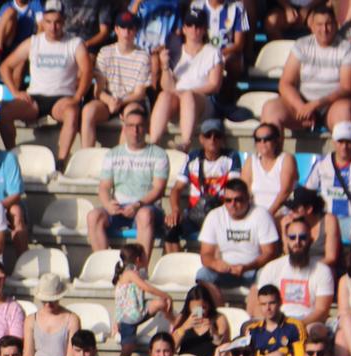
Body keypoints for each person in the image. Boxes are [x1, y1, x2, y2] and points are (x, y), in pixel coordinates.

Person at [0, 4, 89, 167]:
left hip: (62, 97)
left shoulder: (74, 43)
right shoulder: (33, 42)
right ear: (43, 22)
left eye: (57, 22)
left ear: (64, 21)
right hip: (35, 97)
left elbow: (87, 71)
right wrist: (15, 91)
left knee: (72, 112)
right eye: (49, 22)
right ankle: (12, 155)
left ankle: (61, 161)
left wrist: (77, 97)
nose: (53, 27)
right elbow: (5, 67)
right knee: (5, 111)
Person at [258, 4, 351, 136]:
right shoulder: (302, 45)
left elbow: (347, 88)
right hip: (303, 103)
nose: (324, 29)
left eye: (328, 24)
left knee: (344, 112)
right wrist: (301, 107)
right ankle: (270, 155)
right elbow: (285, 83)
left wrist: (315, 105)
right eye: (319, 24)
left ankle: (344, 156)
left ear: (336, 25)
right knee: (270, 109)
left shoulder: (347, 49)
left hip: (333, 104)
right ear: (311, 26)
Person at [87, 104, 166, 260]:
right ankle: (103, 267)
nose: (135, 130)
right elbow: (104, 187)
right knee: (93, 216)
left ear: (146, 127)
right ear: (124, 128)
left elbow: (158, 189)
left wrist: (138, 204)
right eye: (130, 126)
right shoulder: (113, 154)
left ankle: (140, 269)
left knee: (144, 215)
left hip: (146, 206)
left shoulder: (159, 154)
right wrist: (108, 203)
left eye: (139, 126)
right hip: (119, 207)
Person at [150, 6, 223, 151]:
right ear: (184, 28)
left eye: (198, 25)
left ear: (204, 29)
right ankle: (153, 142)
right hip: (177, 99)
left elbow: (214, 85)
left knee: (188, 96)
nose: (193, 29)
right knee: (164, 95)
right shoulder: (175, 51)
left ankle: (185, 142)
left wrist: (186, 92)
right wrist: (165, 66)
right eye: (189, 25)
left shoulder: (213, 52)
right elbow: (167, 87)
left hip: (203, 101)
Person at [81, 11, 156, 149]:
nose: (126, 32)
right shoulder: (105, 52)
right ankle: (86, 157)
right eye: (123, 28)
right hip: (109, 100)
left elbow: (139, 94)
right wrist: (110, 101)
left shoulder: (143, 57)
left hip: (132, 101)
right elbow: (98, 90)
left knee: (131, 116)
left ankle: (121, 161)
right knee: (88, 111)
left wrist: (119, 101)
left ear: (135, 31)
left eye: (130, 28)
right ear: (116, 30)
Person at [168, 119, 240, 251]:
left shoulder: (231, 157)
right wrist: (175, 210)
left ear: (222, 139)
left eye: (217, 136)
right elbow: (177, 189)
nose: (212, 139)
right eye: (208, 135)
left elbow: (234, 188)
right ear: (201, 139)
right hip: (195, 213)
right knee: (170, 229)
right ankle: (177, 263)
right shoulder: (192, 157)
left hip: (219, 212)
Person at [197, 178, 279, 292]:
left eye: (238, 200)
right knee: (203, 275)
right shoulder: (214, 216)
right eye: (228, 200)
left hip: (254, 270)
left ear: (248, 199)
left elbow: (270, 252)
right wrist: (216, 264)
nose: (233, 204)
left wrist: (246, 267)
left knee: (266, 277)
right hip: (225, 271)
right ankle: (217, 309)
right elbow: (205, 254)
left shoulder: (261, 214)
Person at [254, 217, 334, 327]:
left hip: (308, 323)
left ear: (311, 240)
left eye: (302, 237)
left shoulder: (323, 271)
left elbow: (322, 311)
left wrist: (296, 326)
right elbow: (259, 305)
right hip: (276, 321)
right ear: (286, 240)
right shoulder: (271, 268)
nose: (297, 242)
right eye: (292, 237)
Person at [306, 122, 351, 242]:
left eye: (348, 142)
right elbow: (308, 192)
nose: (344, 146)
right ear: (334, 142)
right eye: (340, 142)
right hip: (326, 218)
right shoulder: (321, 162)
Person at [112, 243, 169, 355]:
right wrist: (165, 294)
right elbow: (146, 287)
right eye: (145, 255)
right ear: (138, 259)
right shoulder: (129, 273)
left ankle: (174, 324)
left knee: (160, 303)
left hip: (138, 311)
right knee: (128, 348)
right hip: (128, 318)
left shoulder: (137, 272)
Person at [241, 123, 296, 222]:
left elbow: (285, 192)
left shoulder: (286, 159)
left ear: (276, 140)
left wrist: (269, 214)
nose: (262, 142)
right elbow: (245, 191)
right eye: (258, 139)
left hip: (280, 212)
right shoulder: (251, 161)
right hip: (255, 213)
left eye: (267, 139)